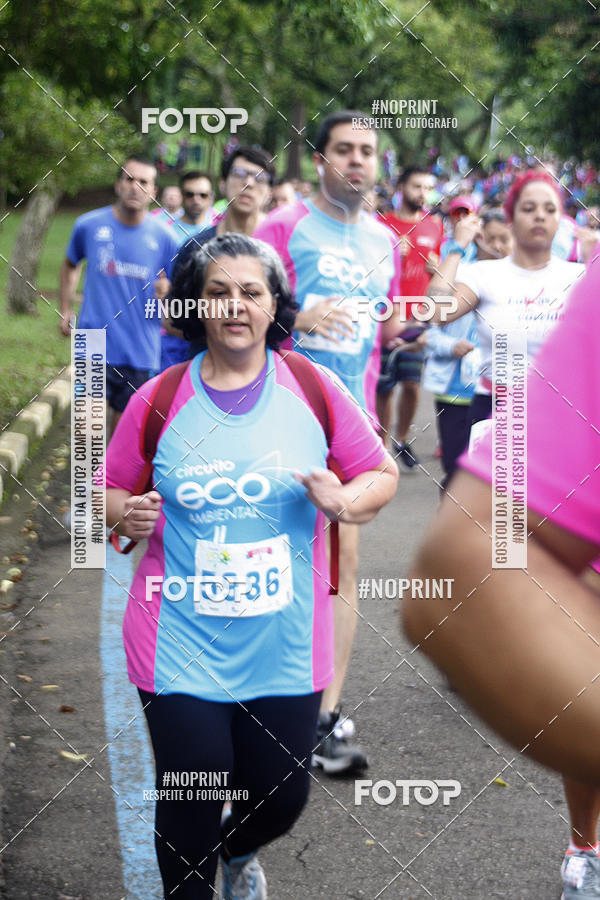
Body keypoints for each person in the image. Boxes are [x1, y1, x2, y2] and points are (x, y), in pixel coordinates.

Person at [105, 233, 398, 900]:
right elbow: (108, 488)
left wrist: (344, 501)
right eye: (217, 292)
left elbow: (379, 474)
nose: (234, 305)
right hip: (177, 635)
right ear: (195, 306)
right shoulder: (160, 397)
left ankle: (237, 851)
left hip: (284, 641)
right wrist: (126, 514)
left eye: (251, 292)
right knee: (193, 787)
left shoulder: (313, 388)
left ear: (274, 306)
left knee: (280, 796)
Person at [404, 257, 600, 900]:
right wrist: (445, 281)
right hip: (495, 403)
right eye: (529, 208)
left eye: (552, 209)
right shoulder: (491, 273)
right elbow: (464, 573)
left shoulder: (574, 270)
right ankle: (585, 845)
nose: (541, 218)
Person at [255, 110, 404, 773]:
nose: (356, 161)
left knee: (342, 570)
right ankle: (257, 705)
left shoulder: (384, 241)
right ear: (319, 158)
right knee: (272, 562)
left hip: (352, 428)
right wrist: (293, 316)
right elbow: (229, 307)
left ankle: (323, 717)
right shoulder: (279, 229)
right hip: (276, 416)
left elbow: (385, 330)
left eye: (367, 151)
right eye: (343, 149)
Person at [59, 156, 180, 435]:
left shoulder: (165, 238)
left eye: (144, 182)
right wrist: (65, 308)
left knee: (121, 445)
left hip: (140, 349)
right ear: (118, 185)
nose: (135, 187)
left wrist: (168, 293)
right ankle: (89, 480)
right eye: (129, 179)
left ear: (154, 192)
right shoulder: (88, 225)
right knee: (87, 442)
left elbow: (177, 291)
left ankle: (107, 479)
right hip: (93, 343)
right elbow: (70, 263)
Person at [376, 165, 444, 466]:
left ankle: (402, 438)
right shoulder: (380, 225)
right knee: (385, 386)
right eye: (417, 187)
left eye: (427, 188)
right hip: (385, 318)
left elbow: (441, 274)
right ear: (401, 187)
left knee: (412, 384)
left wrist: (437, 270)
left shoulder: (435, 226)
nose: (423, 194)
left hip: (417, 318)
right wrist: (389, 256)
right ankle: (382, 445)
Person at [159, 171, 216, 371]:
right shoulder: (164, 231)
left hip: (207, 328)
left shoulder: (220, 232)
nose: (196, 200)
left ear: (211, 198)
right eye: (190, 194)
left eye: (203, 195)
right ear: (182, 196)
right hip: (170, 330)